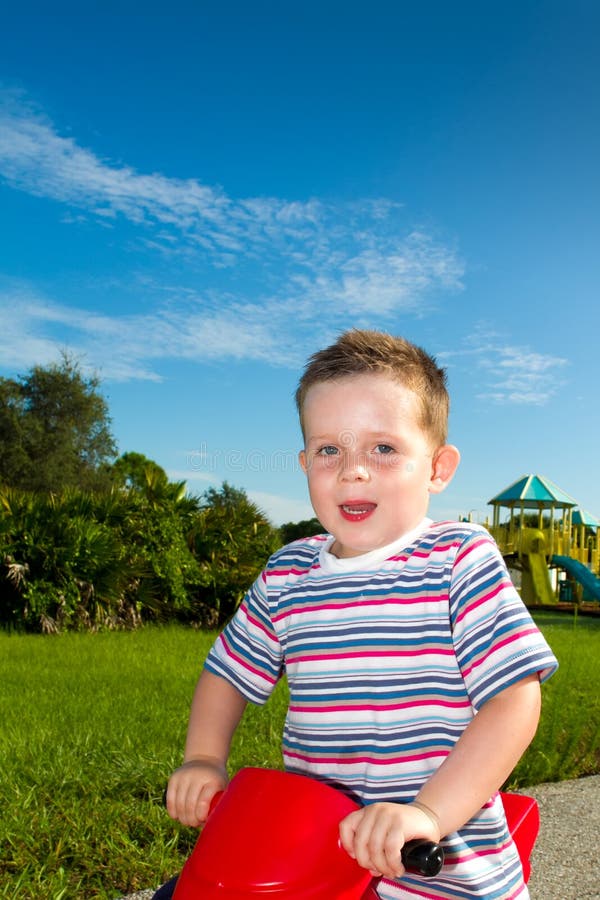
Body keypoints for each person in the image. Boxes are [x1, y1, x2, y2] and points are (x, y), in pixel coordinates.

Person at [159, 329, 558, 899]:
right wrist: (203, 758)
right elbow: (227, 674)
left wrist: (427, 813)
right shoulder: (288, 573)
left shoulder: (458, 560)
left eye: (384, 449)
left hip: (437, 865)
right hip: (313, 844)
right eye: (329, 450)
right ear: (304, 463)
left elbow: (513, 698)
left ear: (438, 469)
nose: (353, 471)